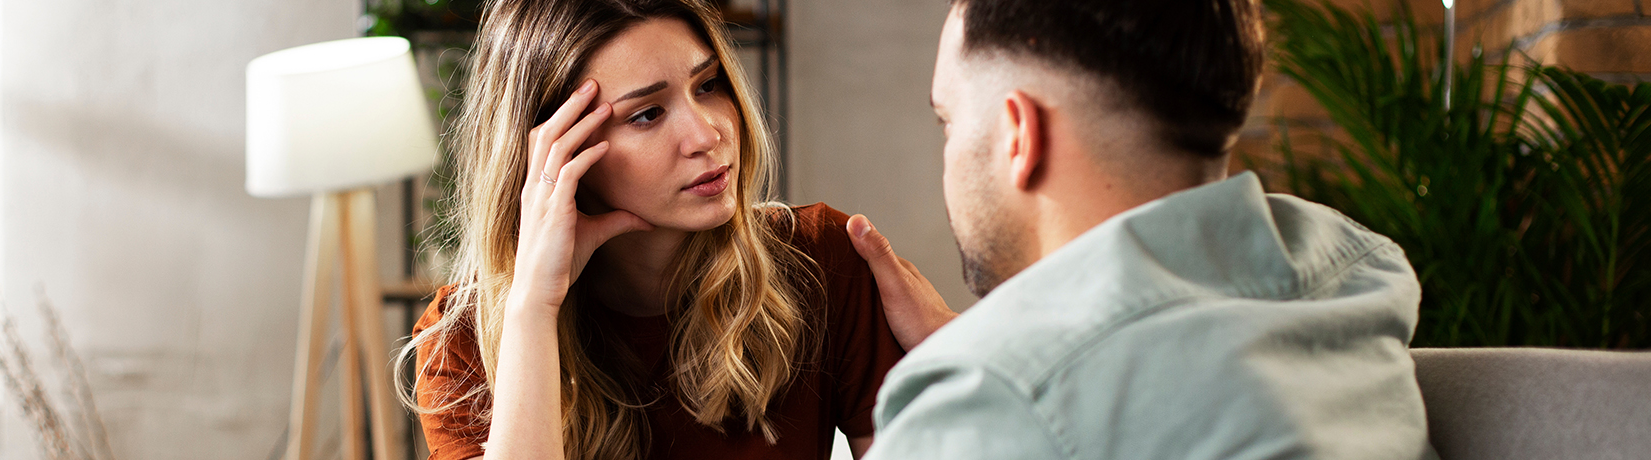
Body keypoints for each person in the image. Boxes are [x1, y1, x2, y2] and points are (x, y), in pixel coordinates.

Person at [842, 0, 1440, 458]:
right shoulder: (1360, 278)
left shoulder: (990, 402)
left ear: (1018, 135)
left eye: (949, 120)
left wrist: (983, 363)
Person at [398, 1, 904, 459]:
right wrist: (533, 308)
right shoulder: (462, 340)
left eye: (708, 85)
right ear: (560, 153)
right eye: (647, 114)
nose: (707, 134)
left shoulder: (820, 258)